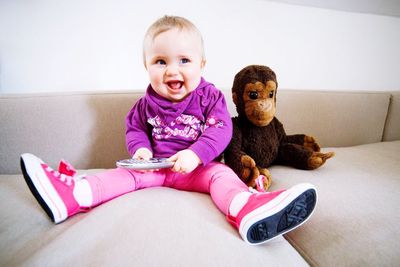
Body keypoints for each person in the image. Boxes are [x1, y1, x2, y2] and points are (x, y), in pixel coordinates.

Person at [20, 15, 317, 245]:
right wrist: (141, 150)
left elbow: (221, 129)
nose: (172, 70)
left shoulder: (209, 97)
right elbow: (135, 129)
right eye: (160, 61)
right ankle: (75, 195)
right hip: (156, 167)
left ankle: (246, 207)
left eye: (184, 60)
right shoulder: (144, 105)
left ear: (201, 64)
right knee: (122, 175)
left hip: (199, 169)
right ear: (146, 65)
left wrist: (196, 154)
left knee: (223, 175)